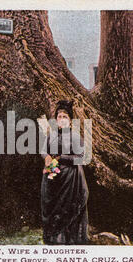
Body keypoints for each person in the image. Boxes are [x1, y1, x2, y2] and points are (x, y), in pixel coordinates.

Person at [40, 100, 90, 245]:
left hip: (71, 179)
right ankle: (54, 238)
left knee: (67, 207)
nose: (61, 120)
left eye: (64, 117)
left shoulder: (75, 137)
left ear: (70, 120)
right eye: (59, 117)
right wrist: (47, 157)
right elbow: (43, 150)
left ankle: (70, 238)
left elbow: (81, 158)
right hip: (53, 177)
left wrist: (62, 158)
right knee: (52, 206)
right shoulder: (51, 135)